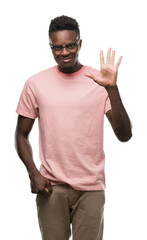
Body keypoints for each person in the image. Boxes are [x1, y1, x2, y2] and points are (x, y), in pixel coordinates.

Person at [15, 15, 132, 240]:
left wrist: (112, 89)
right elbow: (21, 134)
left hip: (91, 187)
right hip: (50, 187)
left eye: (70, 45)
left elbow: (124, 135)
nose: (65, 52)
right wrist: (33, 173)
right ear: (50, 47)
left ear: (80, 43)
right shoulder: (35, 83)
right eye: (57, 47)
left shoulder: (98, 81)